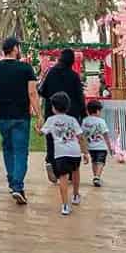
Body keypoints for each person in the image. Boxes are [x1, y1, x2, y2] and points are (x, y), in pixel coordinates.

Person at [0, 36, 38, 205]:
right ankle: (17, 186)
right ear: (15, 49)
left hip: (2, 115)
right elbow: (32, 93)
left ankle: (12, 183)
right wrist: (39, 115)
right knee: (21, 152)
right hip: (21, 116)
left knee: (8, 149)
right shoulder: (25, 68)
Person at [37, 49, 86, 178]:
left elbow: (41, 90)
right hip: (71, 114)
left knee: (52, 139)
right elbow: (80, 97)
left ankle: (52, 163)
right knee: (70, 140)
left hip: (52, 112)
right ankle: (69, 171)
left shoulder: (50, 72)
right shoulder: (74, 76)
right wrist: (84, 113)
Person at [41, 91, 86, 216]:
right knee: (76, 172)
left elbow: (42, 133)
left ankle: (65, 205)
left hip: (61, 154)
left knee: (63, 177)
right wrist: (85, 152)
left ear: (54, 107)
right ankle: (76, 195)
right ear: (67, 106)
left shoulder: (50, 120)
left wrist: (37, 129)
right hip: (75, 152)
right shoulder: (72, 120)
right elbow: (80, 136)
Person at [81, 99, 114, 187]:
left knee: (94, 161)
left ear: (88, 110)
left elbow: (82, 135)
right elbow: (106, 135)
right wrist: (110, 147)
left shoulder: (85, 121)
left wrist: (84, 148)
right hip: (101, 147)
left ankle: (95, 176)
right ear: (98, 111)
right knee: (101, 162)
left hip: (90, 147)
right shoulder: (101, 121)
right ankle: (97, 176)